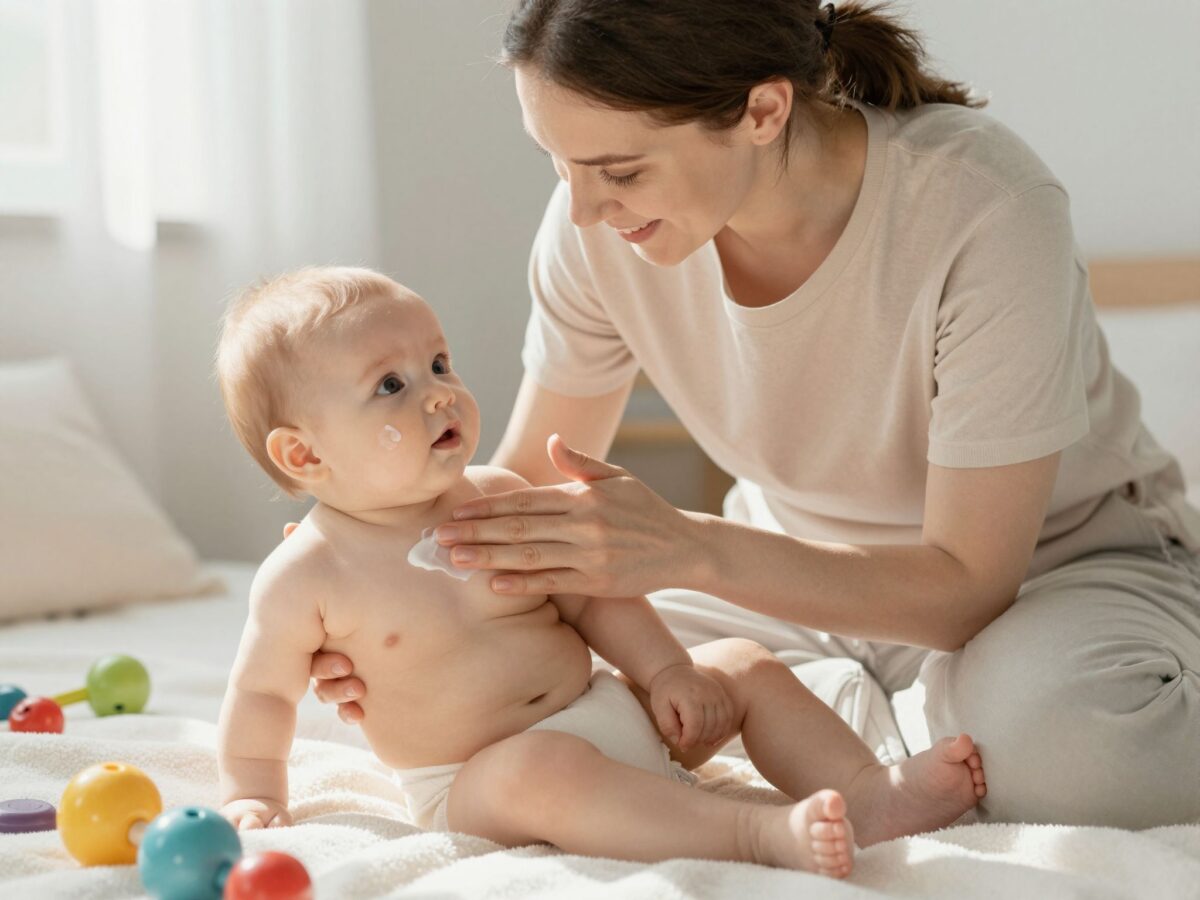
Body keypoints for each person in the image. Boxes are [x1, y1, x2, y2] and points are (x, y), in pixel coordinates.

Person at [309, 0, 1200, 829]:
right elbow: (526, 486)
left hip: (1052, 575)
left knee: (1084, 758)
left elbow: (969, 582)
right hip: (781, 584)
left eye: (618, 170)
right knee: (497, 713)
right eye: (558, 165)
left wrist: (692, 548)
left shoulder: (981, 206)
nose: (581, 208)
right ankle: (887, 726)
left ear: (764, 111)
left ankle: (913, 714)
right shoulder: (592, 230)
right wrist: (393, 592)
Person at [213, 266, 987, 876]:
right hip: (482, 779)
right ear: (305, 455)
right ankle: (754, 833)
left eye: (439, 362)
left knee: (742, 667)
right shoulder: (304, 576)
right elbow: (260, 694)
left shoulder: (502, 498)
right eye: (392, 385)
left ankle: (865, 793)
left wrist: (669, 673)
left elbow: (593, 602)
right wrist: (252, 794)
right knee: (543, 770)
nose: (440, 392)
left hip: (609, 710)